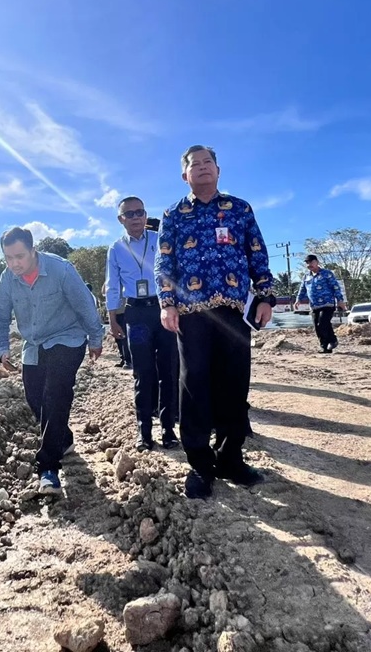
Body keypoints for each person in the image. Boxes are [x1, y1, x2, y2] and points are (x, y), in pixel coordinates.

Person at [155, 145, 275, 499]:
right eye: (195, 164)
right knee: (194, 385)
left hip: (233, 312)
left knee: (234, 385)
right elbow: (165, 264)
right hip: (191, 314)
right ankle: (200, 464)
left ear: (218, 170)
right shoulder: (173, 215)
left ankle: (230, 459)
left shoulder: (239, 209)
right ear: (185, 175)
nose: (203, 168)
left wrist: (266, 295)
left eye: (208, 163)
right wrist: (167, 303)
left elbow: (257, 253)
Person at [0, 227, 105, 495]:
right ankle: (63, 438)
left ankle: (48, 468)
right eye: (9, 258)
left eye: (20, 256)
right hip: (34, 343)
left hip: (68, 336)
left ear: (33, 250)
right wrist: (2, 349)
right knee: (35, 398)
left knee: (56, 393)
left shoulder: (60, 269)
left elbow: (85, 304)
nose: (15, 263)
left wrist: (96, 338)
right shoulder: (8, 279)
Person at [105, 196, 180, 452]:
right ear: (121, 219)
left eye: (140, 212)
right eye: (130, 214)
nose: (136, 218)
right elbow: (113, 285)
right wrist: (113, 318)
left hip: (162, 311)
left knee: (168, 371)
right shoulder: (116, 249)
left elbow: (174, 273)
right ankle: (144, 432)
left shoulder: (160, 241)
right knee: (142, 373)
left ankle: (169, 430)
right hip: (135, 316)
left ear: (146, 215)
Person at [295, 254, 347, 353]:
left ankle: (333, 340)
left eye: (311, 262)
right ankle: (325, 347)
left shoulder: (327, 274)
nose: (309, 264)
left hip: (328, 304)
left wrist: (340, 300)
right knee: (317, 327)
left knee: (323, 323)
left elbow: (335, 287)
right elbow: (302, 289)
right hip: (314, 305)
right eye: (307, 263)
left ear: (317, 262)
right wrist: (298, 299)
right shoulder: (306, 276)